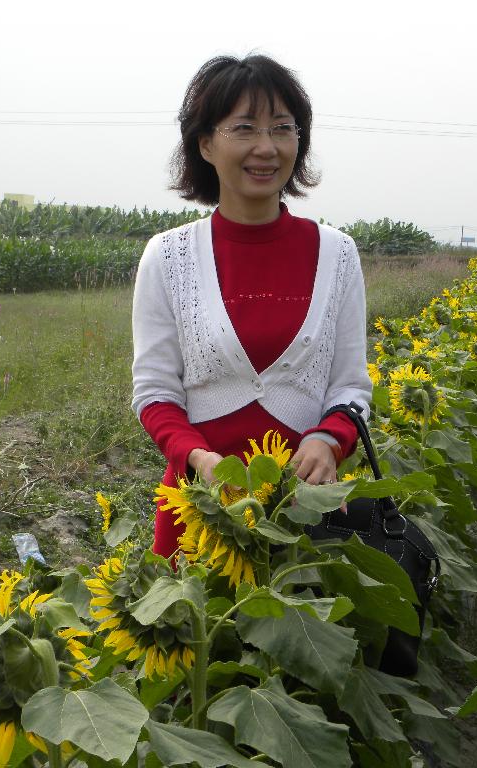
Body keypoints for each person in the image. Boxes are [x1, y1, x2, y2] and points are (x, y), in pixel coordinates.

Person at [131, 54, 372, 557]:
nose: (266, 147)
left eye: (282, 128)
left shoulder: (337, 254)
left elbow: (350, 385)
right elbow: (155, 393)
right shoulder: (169, 256)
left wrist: (328, 439)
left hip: (305, 513)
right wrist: (198, 458)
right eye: (244, 128)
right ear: (205, 144)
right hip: (199, 513)